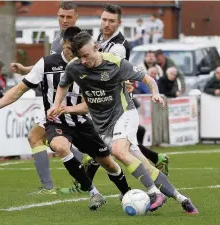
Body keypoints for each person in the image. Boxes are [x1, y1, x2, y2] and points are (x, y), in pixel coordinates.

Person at [0, 27, 132, 211]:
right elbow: (21, 88)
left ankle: (126, 192)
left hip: (82, 121)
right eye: (68, 47)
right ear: (63, 44)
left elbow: (89, 104)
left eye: (75, 48)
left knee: (108, 162)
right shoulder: (47, 63)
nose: (71, 52)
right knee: (60, 146)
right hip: (56, 122)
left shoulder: (89, 65)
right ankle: (94, 192)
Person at [48, 31, 198, 214]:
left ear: (96, 47)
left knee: (119, 151)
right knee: (144, 164)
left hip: (124, 113)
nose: (84, 61)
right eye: (80, 57)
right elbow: (63, 85)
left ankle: (154, 193)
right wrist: (56, 105)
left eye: (86, 55)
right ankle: (182, 199)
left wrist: (155, 93)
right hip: (103, 126)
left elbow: (148, 79)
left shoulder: (116, 63)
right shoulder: (74, 67)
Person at [61, 4, 169, 195]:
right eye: (104, 19)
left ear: (119, 23)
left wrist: (127, 84)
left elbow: (114, 72)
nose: (106, 24)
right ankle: (155, 168)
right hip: (99, 102)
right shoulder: (96, 40)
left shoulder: (118, 46)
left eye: (111, 21)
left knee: (108, 147)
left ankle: (91, 186)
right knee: (116, 148)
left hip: (114, 103)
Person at [10, 1, 80, 195]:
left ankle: (51, 187)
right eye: (61, 16)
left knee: (38, 138)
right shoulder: (58, 40)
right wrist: (26, 69)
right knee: (48, 140)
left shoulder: (80, 41)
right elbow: (48, 65)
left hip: (68, 102)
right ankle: (84, 167)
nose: (64, 20)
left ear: (77, 18)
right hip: (53, 100)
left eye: (69, 17)